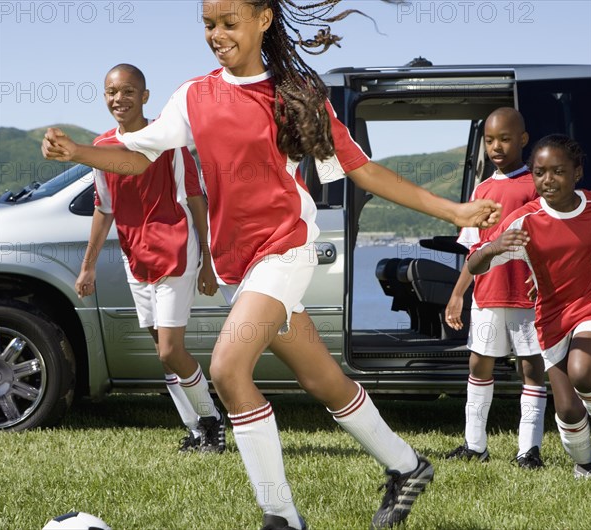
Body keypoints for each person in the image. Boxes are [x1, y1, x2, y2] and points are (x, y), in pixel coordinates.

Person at [42, 2, 503, 527]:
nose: (217, 35)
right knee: (322, 379)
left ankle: (280, 516)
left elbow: (361, 170)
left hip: (286, 247)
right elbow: (137, 157)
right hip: (239, 266)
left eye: (229, 22)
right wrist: (79, 151)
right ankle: (408, 466)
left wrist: (456, 210)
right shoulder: (193, 96)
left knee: (227, 368)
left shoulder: (295, 96)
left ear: (263, 19)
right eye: (209, 25)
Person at [76, 63, 224, 454]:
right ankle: (196, 430)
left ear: (144, 96)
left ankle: (212, 421)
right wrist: (88, 265)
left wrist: (208, 261)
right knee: (163, 352)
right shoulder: (102, 146)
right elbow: (103, 209)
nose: (118, 99)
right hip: (134, 256)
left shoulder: (169, 140)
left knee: (169, 350)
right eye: (111, 92)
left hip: (175, 249)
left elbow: (197, 202)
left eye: (128, 91)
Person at [467, 134, 591, 479]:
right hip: (551, 319)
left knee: (583, 370)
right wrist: (493, 249)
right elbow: (475, 264)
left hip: (590, 309)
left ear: (578, 173)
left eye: (558, 172)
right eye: (540, 173)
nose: (548, 181)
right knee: (567, 410)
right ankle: (586, 463)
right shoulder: (526, 219)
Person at [445, 108, 547, 468]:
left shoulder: (537, 185)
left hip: (527, 297)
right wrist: (458, 293)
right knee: (478, 364)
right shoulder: (483, 189)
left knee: (531, 367)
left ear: (522, 139)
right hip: (487, 295)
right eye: (489, 140)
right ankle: (475, 446)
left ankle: (528, 450)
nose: (496, 146)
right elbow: (474, 249)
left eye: (505, 138)